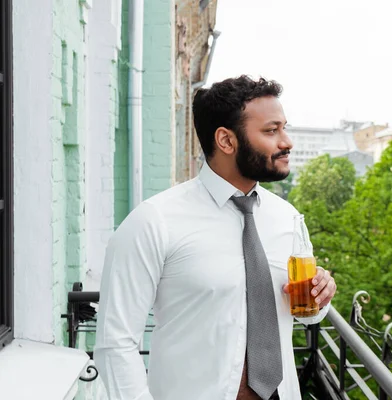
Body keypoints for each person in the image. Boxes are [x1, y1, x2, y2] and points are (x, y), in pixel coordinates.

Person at [94, 75, 337, 400]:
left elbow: (307, 313)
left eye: (284, 128)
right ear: (226, 140)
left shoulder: (287, 218)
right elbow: (116, 341)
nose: (287, 141)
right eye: (271, 130)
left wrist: (321, 294)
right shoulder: (154, 221)